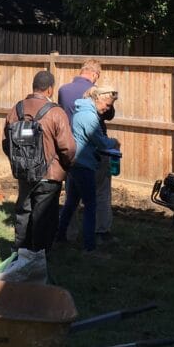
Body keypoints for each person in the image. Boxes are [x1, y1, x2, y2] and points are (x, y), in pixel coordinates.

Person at [5, 71, 76, 253]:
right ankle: (39, 260)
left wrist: (21, 163)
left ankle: (20, 255)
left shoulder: (16, 109)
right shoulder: (56, 112)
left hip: (24, 175)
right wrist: (66, 166)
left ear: (33, 87)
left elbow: (6, 143)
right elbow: (68, 147)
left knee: (23, 214)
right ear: (50, 90)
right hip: (49, 177)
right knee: (44, 218)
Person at [58, 59, 117, 243]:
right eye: (105, 104)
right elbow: (103, 132)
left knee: (71, 200)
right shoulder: (92, 107)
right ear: (95, 74)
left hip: (70, 153)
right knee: (96, 198)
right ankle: (96, 237)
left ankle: (66, 235)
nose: (105, 108)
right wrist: (113, 142)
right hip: (88, 157)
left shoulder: (64, 92)